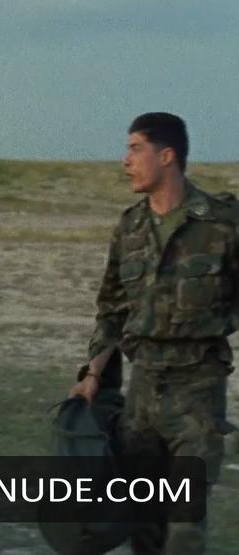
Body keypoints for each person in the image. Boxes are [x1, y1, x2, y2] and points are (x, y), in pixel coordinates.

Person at [69, 112, 238, 554]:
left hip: (197, 392)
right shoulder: (129, 228)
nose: (125, 161)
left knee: (184, 526)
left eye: (135, 149)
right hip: (142, 393)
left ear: (166, 156)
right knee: (143, 525)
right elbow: (111, 310)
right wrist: (92, 374)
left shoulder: (222, 223)